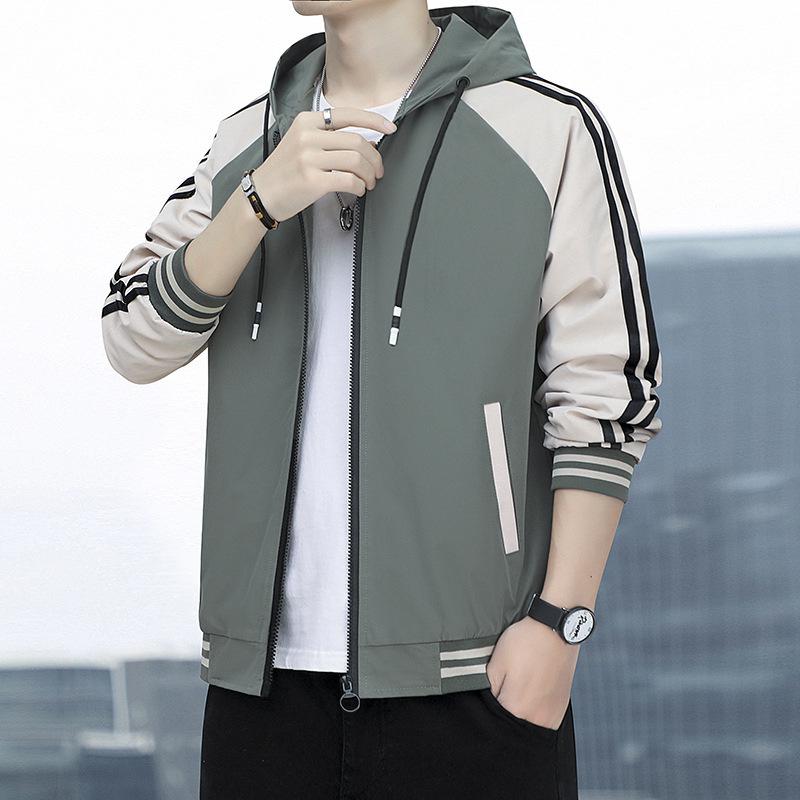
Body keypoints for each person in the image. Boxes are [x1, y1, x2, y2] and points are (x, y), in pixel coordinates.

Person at [101, 1, 664, 797]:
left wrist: (558, 626)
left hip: (474, 681)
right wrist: (258, 200)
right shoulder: (249, 141)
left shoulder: (546, 128)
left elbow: (606, 387)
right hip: (259, 692)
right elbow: (132, 338)